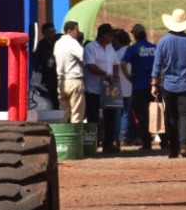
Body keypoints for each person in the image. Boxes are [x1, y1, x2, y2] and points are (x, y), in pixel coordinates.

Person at [152, 9, 186, 159]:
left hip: (168, 86)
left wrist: (154, 85)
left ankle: (173, 148)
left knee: (171, 117)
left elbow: (157, 66)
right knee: (185, 115)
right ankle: (184, 145)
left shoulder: (162, 42)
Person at [83, 23, 122, 153]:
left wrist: (115, 75)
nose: (112, 38)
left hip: (109, 88)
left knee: (110, 115)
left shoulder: (111, 48)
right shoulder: (90, 47)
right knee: (93, 117)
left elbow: (116, 64)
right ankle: (92, 144)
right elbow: (90, 66)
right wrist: (106, 74)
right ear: (103, 35)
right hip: (93, 88)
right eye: (110, 35)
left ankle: (108, 143)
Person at [121, 24, 156, 151]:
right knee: (158, 113)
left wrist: (128, 77)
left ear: (134, 36)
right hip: (155, 85)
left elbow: (123, 63)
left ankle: (147, 143)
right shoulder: (154, 48)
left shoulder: (133, 49)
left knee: (142, 115)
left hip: (139, 86)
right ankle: (165, 141)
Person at [54, 20, 86, 124]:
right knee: (77, 113)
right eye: (76, 30)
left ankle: (62, 138)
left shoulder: (58, 43)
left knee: (64, 112)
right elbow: (84, 57)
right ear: (70, 31)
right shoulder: (72, 42)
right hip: (74, 80)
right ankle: (75, 139)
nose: (78, 32)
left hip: (61, 82)